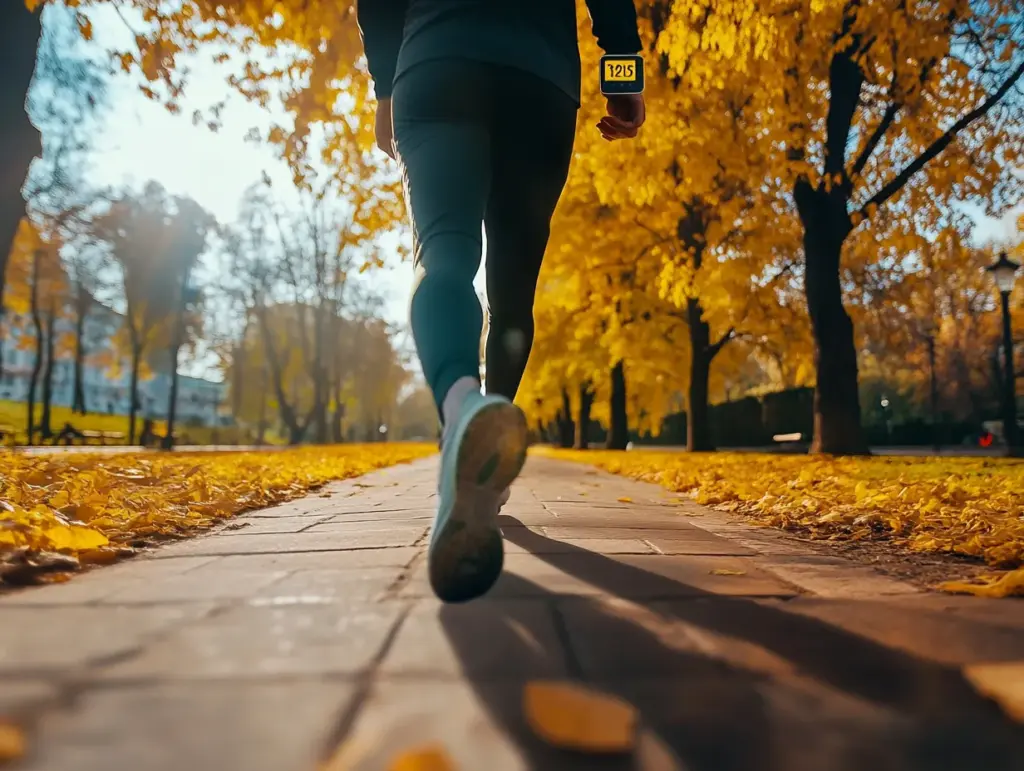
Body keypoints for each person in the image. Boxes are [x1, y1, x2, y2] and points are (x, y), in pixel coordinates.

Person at [357, 0, 646, 604]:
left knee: (444, 255)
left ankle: (462, 411)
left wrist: (384, 89)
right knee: (512, 295)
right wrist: (624, 76)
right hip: (538, 79)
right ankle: (485, 463)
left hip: (436, 59)